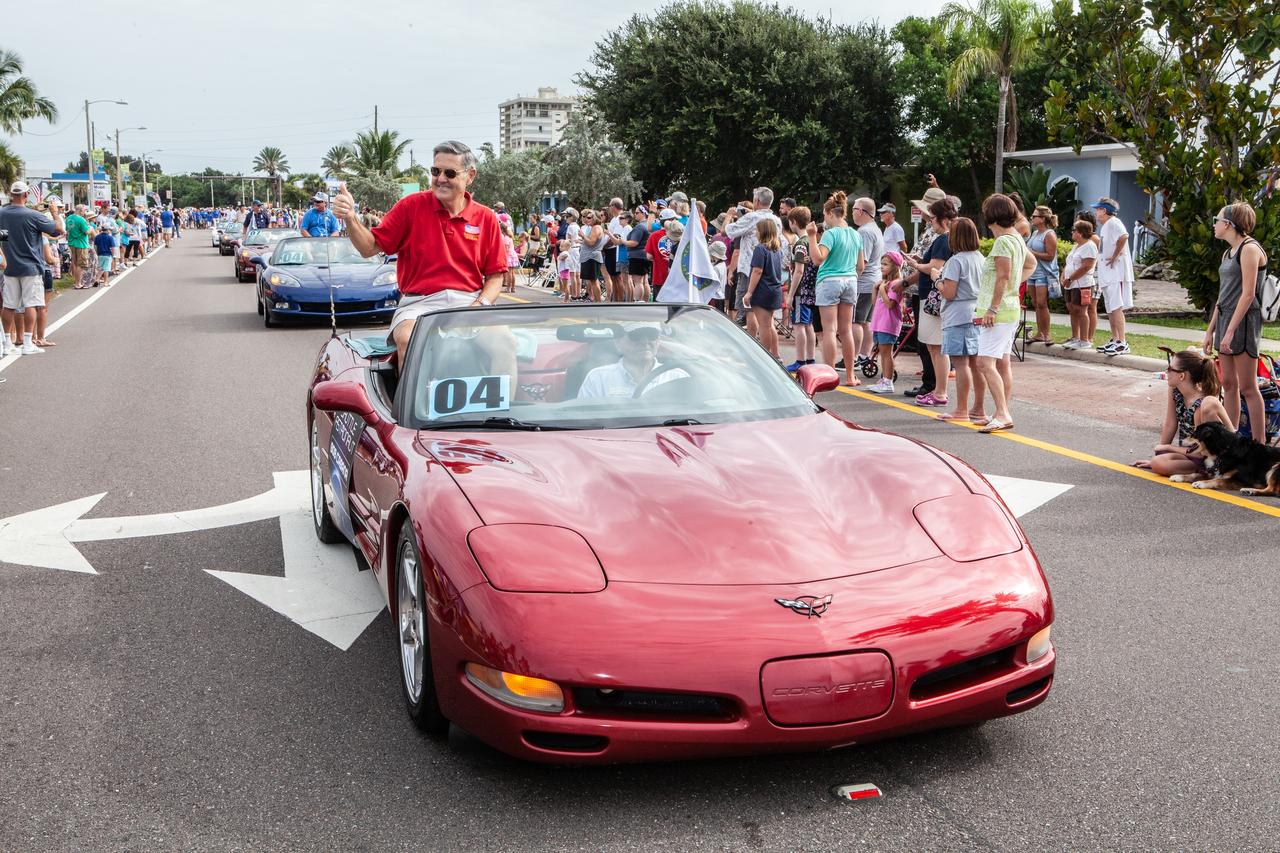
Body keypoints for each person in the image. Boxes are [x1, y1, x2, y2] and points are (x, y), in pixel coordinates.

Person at [332, 139, 511, 375]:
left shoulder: (486, 217)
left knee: (506, 344)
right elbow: (369, 248)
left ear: (470, 176)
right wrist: (350, 218)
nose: (441, 179)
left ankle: (500, 410)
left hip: (469, 302)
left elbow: (495, 276)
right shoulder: (410, 206)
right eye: (436, 171)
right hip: (418, 304)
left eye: (449, 172)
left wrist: (478, 306)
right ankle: (412, 412)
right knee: (409, 340)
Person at [1204, 202, 1269, 440]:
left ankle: (1259, 444)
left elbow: (1249, 294)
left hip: (1243, 322)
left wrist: (1230, 331)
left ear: (1229, 224)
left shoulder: (1250, 249)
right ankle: (1231, 439)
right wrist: (1211, 330)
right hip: (1225, 319)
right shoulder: (1228, 252)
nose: (1215, 225)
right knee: (1229, 384)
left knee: (1248, 387)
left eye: (1217, 220)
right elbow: (1223, 296)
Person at [973, 194, 1028, 433]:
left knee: (984, 362)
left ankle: (1002, 413)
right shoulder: (1016, 238)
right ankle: (1000, 411)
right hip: (1009, 308)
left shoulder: (1004, 241)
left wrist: (993, 308)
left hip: (999, 311)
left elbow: (1003, 276)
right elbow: (1027, 266)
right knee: (1002, 362)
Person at [1132, 348, 1229, 475]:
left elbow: (1202, 451)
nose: (1166, 371)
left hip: (1206, 456)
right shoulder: (1175, 390)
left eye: (1170, 369)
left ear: (1182, 376)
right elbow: (1171, 423)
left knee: (1159, 463)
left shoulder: (1202, 405)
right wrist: (1160, 452)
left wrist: (1168, 448)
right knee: (1157, 460)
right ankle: (1198, 471)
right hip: (1189, 453)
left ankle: (1205, 473)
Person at [0, 184, 66, 357]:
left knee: (8, 306)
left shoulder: (2, 214)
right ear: (26, 195)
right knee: (31, 304)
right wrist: (54, 213)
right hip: (30, 266)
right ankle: (28, 342)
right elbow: (58, 230)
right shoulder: (33, 215)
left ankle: (7, 342)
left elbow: (3, 237)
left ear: (10, 194)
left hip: (10, 266)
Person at [808, 190, 863, 386]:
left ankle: (831, 376)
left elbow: (817, 259)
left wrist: (812, 237)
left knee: (830, 330)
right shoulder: (855, 235)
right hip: (850, 280)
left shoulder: (830, 234)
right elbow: (861, 266)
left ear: (831, 213)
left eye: (825, 215)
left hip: (830, 280)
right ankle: (850, 375)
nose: (825, 219)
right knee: (846, 330)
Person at [908, 197, 957, 407]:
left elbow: (935, 267)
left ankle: (939, 390)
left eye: (933, 218)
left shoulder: (943, 239)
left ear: (943, 219)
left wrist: (917, 265)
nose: (930, 222)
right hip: (932, 293)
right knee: (933, 346)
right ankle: (938, 390)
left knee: (935, 346)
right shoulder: (948, 238)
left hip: (932, 296)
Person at [935, 217, 985, 422]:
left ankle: (961, 409)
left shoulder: (956, 261)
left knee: (961, 363)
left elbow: (949, 292)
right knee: (976, 364)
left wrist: (937, 280)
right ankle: (978, 408)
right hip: (976, 311)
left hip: (958, 315)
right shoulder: (981, 258)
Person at [576, 325, 688, 398]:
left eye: (651, 335)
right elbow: (582, 420)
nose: (645, 341)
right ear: (618, 342)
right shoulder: (598, 378)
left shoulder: (678, 377)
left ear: (658, 342)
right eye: (636, 336)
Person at [725, 187, 782, 329]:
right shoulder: (776, 220)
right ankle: (772, 349)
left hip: (750, 268)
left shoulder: (751, 218)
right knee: (767, 318)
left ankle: (754, 344)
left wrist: (728, 216)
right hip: (771, 268)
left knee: (749, 309)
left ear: (756, 200)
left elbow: (728, 231)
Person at [1093, 198, 1134, 354]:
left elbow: (1124, 236)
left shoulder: (1114, 222)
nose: (1096, 212)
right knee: (1111, 308)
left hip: (1116, 273)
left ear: (1104, 210)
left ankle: (1122, 342)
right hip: (1108, 274)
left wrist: (1116, 255)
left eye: (1097, 209)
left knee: (1116, 307)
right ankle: (1115, 339)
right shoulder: (1106, 226)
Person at [743, 216, 786, 357]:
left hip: (762, 290)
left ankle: (766, 356)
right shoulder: (777, 249)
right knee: (769, 324)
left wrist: (749, 292)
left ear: (762, 232)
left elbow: (757, 270)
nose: (756, 232)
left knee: (764, 325)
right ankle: (776, 354)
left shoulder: (760, 249)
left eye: (757, 230)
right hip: (774, 290)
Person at [851, 197, 884, 365]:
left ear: (862, 212)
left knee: (856, 321)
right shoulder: (875, 229)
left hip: (864, 283)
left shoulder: (864, 232)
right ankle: (864, 355)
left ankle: (855, 356)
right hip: (874, 280)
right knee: (866, 321)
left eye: (854, 209)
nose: (852, 213)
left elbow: (862, 262)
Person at [866, 251, 906, 394]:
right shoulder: (885, 283)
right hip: (880, 323)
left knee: (887, 353)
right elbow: (876, 303)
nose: (882, 267)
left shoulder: (895, 284)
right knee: (882, 353)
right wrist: (875, 289)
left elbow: (890, 304)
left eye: (885, 264)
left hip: (888, 324)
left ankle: (888, 381)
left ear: (895, 266)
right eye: (881, 264)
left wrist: (883, 289)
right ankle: (884, 379)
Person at [784, 206, 817, 372]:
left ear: (793, 222)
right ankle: (810, 358)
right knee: (808, 324)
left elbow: (799, 271)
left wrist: (790, 295)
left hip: (799, 292)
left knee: (799, 325)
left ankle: (800, 359)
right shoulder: (812, 241)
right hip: (811, 290)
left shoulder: (799, 245)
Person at [1060, 221, 1099, 349]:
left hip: (1083, 284)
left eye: (1074, 230)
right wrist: (1064, 275)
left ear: (1081, 233)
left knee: (1081, 310)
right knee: (1072, 308)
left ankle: (1084, 340)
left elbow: (1086, 266)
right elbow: (1069, 262)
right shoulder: (1076, 246)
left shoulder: (1089, 246)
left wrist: (1070, 278)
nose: (1072, 233)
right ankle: (1075, 337)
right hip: (1071, 284)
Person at [1026, 206, 1059, 343]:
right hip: (1032, 273)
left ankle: (1046, 333)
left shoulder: (1049, 234)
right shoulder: (1035, 234)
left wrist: (1033, 253)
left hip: (1043, 273)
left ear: (1043, 218)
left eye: (1035, 216)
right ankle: (1039, 333)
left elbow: (1050, 256)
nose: (1032, 218)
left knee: (1042, 303)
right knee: (1035, 303)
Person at [578, 208, 607, 302]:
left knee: (594, 281)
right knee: (592, 280)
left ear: (595, 218)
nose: (587, 219)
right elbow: (589, 241)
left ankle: (598, 302)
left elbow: (591, 242)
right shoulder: (593, 227)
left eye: (589, 217)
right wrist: (582, 240)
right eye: (586, 217)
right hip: (589, 256)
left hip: (592, 257)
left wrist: (583, 236)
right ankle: (596, 301)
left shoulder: (596, 228)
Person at [625, 207, 651, 301]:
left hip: (637, 256)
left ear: (643, 213)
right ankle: (645, 301)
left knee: (638, 282)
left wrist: (622, 241)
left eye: (637, 213)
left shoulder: (640, 226)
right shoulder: (649, 225)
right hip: (646, 255)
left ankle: (637, 301)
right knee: (645, 281)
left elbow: (634, 242)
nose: (635, 215)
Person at [65, 203, 93, 289]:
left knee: (75, 262)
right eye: (84, 210)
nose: (85, 212)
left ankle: (76, 281)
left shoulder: (69, 218)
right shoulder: (81, 219)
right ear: (80, 210)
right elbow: (87, 232)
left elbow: (68, 229)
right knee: (80, 264)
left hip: (72, 242)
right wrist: (91, 228)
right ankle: (78, 283)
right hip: (81, 243)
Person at [708, 239, 728, 312]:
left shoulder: (716, 268)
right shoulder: (723, 264)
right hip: (721, 296)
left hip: (715, 297)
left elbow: (711, 284)